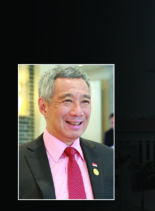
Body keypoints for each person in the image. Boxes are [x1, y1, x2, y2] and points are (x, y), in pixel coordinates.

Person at [19, 65, 114, 200]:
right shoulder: (20, 160)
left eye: (85, 101)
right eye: (67, 101)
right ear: (43, 107)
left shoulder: (109, 158)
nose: (78, 112)